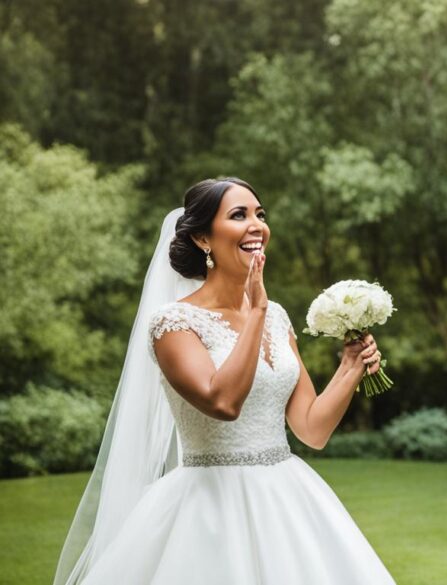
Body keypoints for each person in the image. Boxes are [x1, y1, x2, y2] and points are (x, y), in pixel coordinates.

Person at [54, 178, 395, 584]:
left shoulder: (276, 317)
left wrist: (350, 367)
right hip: (207, 508)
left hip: (287, 499)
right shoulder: (173, 324)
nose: (257, 226)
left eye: (260, 214)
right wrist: (255, 311)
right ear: (203, 238)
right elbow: (223, 403)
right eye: (239, 215)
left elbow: (311, 429)